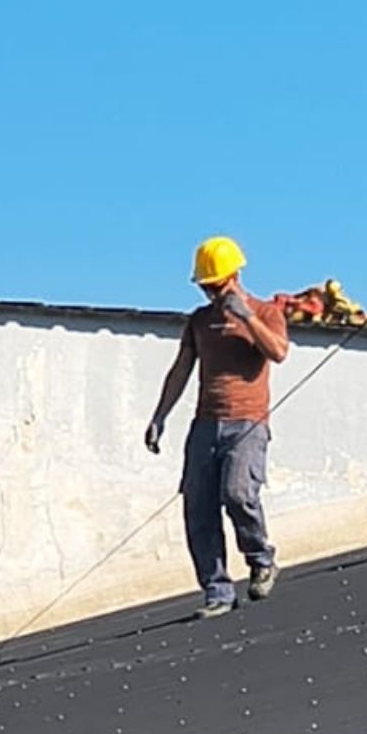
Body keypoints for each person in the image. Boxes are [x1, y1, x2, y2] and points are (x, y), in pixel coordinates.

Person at [145, 236, 291, 619]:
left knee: (238, 493)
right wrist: (159, 416)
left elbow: (278, 351)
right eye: (206, 287)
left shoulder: (265, 312)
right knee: (198, 506)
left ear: (235, 275)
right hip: (206, 424)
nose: (212, 293)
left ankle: (261, 560)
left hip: (248, 422)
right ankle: (217, 591)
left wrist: (246, 316)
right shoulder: (199, 322)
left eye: (217, 285)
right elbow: (180, 370)